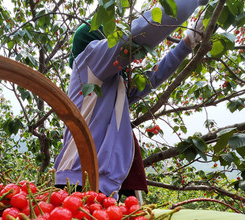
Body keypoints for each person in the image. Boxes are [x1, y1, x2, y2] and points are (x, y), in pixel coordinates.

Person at [54, 0, 208, 200]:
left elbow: (153, 77)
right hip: (80, 178)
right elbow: (136, 36)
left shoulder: (114, 85)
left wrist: (189, 41)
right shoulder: (90, 60)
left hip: (104, 186)